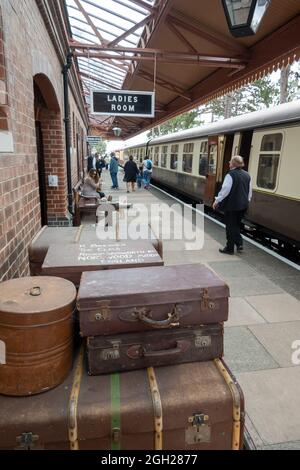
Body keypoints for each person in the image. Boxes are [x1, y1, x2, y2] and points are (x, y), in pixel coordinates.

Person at [213, 156, 252, 254]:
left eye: (230, 161)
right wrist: (247, 201)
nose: (229, 162)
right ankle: (239, 244)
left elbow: (225, 190)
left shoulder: (230, 175)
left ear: (233, 164)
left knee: (230, 226)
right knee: (236, 225)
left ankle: (229, 248)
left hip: (232, 205)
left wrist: (217, 200)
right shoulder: (247, 175)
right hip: (243, 205)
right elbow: (249, 191)